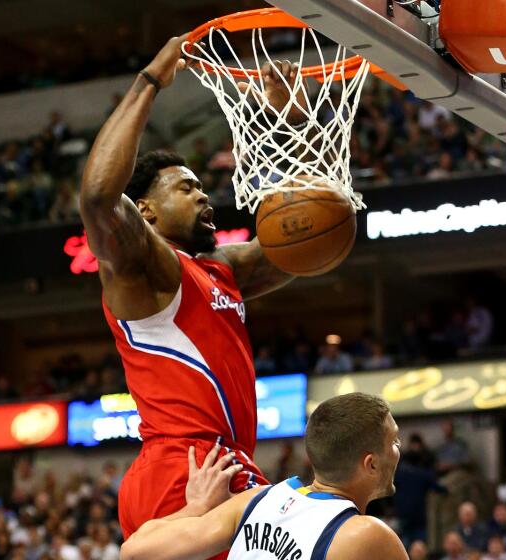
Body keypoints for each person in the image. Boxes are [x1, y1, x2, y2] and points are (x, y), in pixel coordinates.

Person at [80, 35, 311, 543]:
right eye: (185, 188)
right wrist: (151, 81)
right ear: (146, 212)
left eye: (201, 185)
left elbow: (309, 240)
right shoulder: (143, 266)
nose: (203, 193)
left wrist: (289, 126)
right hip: (180, 469)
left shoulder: (223, 266)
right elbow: (98, 196)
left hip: (225, 465)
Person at [120, 393, 408, 560]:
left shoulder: (257, 501)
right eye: (393, 441)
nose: (399, 448)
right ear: (369, 464)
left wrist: (196, 508)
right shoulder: (369, 536)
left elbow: (133, 551)